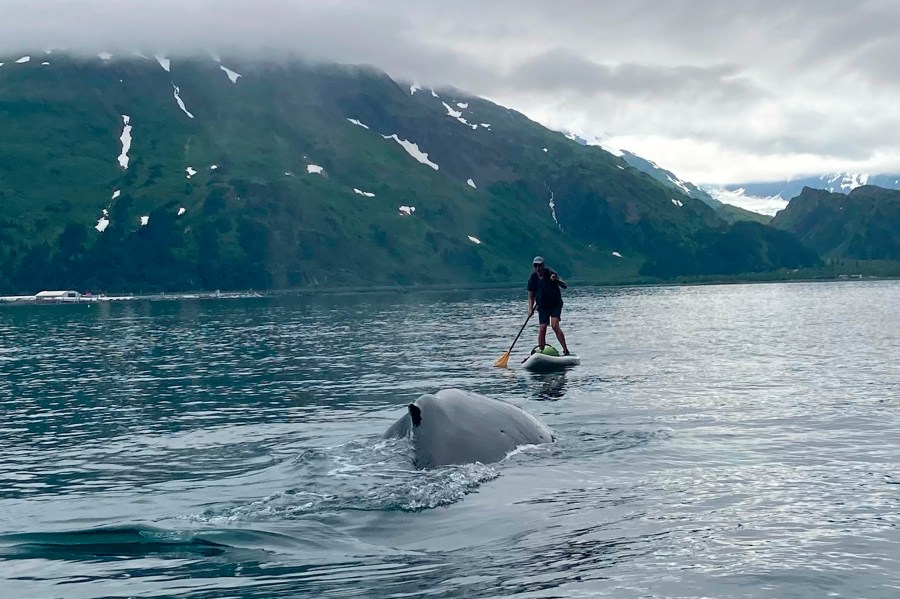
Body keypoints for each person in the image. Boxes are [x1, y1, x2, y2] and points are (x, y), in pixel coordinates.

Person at [526, 256, 570, 355]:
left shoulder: (550, 273)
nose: (538, 268)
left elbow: (565, 286)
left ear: (543, 266)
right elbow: (530, 296)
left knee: (554, 325)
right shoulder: (532, 278)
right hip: (542, 306)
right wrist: (530, 309)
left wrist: (556, 280)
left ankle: (565, 350)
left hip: (555, 304)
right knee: (542, 328)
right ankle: (541, 351)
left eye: (540, 265)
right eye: (535, 266)